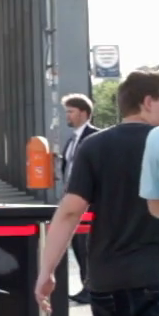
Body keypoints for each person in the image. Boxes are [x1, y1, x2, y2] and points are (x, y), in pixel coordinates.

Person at [35, 72, 159, 316]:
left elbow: (70, 211)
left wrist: (46, 270)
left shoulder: (95, 147)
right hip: (157, 281)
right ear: (148, 101)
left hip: (107, 281)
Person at [63, 94, 103, 302]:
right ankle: (85, 286)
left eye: (70, 111)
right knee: (78, 247)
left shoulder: (95, 138)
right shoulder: (71, 139)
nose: (67, 116)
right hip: (75, 199)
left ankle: (91, 288)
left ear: (84, 113)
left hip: (89, 203)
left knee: (86, 246)